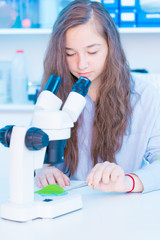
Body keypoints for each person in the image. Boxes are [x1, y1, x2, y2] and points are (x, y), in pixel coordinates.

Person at [35, 0, 160, 194]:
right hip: (69, 204)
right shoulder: (53, 95)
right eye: (70, 54)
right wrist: (43, 171)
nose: (81, 64)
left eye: (92, 51)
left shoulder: (145, 96)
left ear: (111, 46)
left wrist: (128, 182)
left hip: (123, 207)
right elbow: (36, 155)